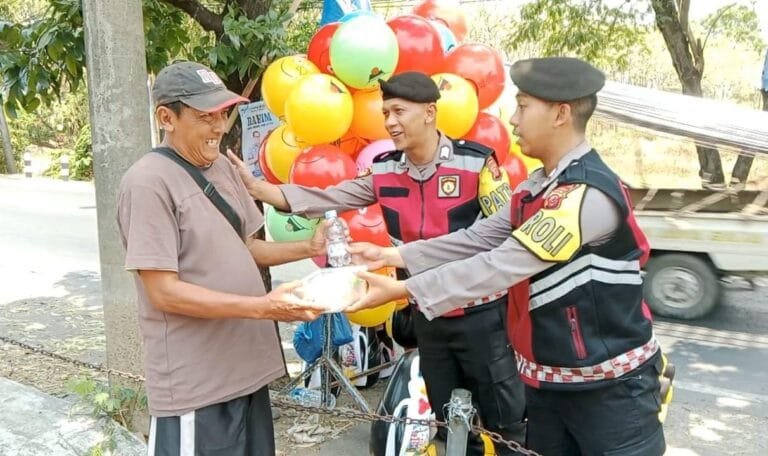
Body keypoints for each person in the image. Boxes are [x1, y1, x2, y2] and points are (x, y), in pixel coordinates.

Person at [347, 57, 667, 455]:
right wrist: (392, 253)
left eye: (523, 106)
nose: (513, 119)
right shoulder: (536, 188)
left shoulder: (584, 194)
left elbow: (500, 264)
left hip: (609, 393)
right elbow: (475, 238)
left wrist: (402, 287)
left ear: (560, 114)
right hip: (549, 386)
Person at [229, 71, 526, 453]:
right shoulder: (385, 169)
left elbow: (502, 235)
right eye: (385, 112)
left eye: (399, 111)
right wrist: (260, 189)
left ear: (430, 112)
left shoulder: (478, 163)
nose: (389, 121)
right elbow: (330, 195)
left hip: (483, 315)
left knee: (507, 424)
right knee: (445, 421)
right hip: (427, 315)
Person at [117, 61, 327, 456]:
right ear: (167, 117)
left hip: (247, 373)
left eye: (222, 114)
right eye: (204, 117)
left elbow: (249, 248)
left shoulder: (221, 169)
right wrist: (263, 308)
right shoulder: (147, 183)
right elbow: (164, 294)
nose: (219, 127)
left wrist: (308, 248)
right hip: (197, 385)